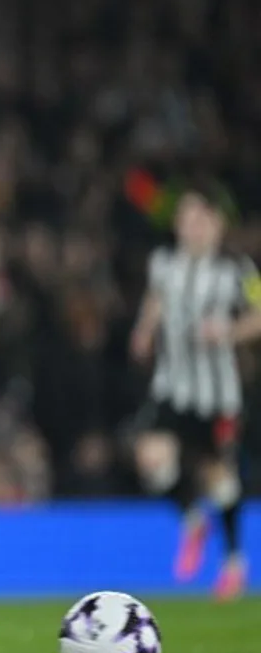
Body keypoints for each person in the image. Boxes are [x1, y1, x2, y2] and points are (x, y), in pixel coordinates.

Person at [130, 185, 260, 601]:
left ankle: (234, 561)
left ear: (216, 223)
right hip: (172, 384)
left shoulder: (239, 269)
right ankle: (191, 520)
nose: (191, 227)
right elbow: (156, 299)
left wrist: (229, 331)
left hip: (217, 392)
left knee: (218, 476)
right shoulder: (164, 263)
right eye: (184, 219)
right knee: (151, 459)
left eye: (199, 218)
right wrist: (145, 330)